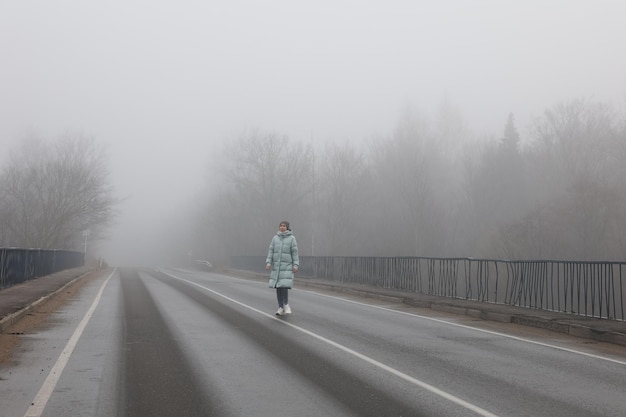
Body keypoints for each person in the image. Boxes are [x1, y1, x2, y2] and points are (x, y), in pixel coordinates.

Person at [265, 221, 299, 316]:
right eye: (281, 226)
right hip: (277, 267)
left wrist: (295, 264)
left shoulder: (292, 239)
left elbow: (295, 252)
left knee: (284, 286)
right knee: (278, 288)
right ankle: (280, 307)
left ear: (287, 227)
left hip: (287, 266)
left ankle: (286, 305)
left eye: (284, 226)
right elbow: (271, 251)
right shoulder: (275, 238)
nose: (282, 227)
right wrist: (268, 262)